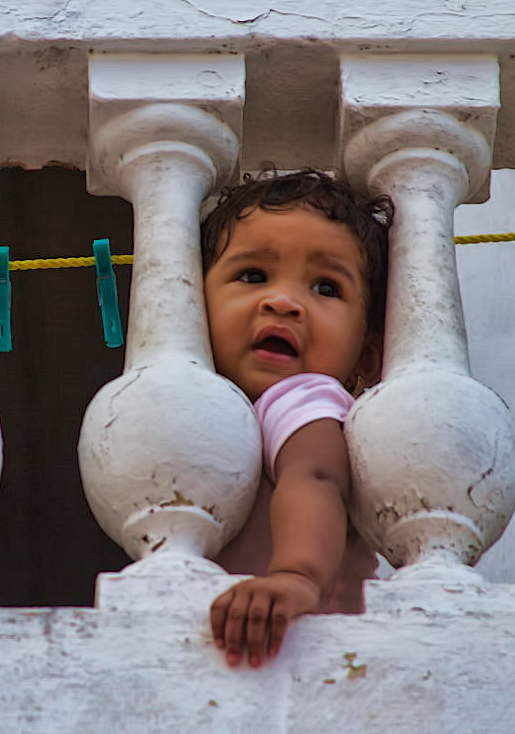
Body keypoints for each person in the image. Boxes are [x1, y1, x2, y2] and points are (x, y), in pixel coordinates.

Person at [202, 169, 392, 668]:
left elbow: (315, 476)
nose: (283, 302)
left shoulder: (304, 397)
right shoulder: (205, 415)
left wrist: (295, 577)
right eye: (253, 276)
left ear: (367, 358)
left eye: (325, 287)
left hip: (311, 654)